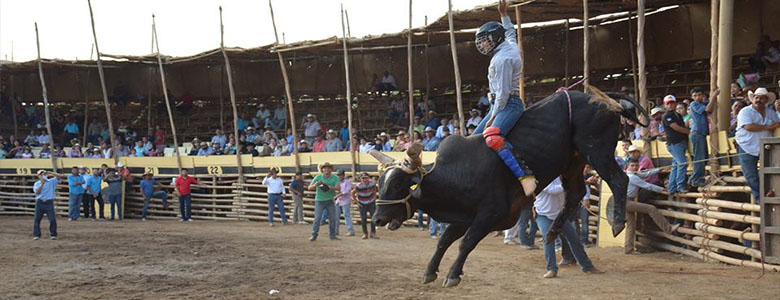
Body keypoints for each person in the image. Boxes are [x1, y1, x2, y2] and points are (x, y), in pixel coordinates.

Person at [472, 0, 535, 196]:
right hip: (499, 103)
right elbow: (510, 31)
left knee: (492, 137)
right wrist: (503, 14)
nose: (483, 44)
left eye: (486, 39)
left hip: (508, 104)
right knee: (473, 141)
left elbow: (503, 94)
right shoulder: (508, 45)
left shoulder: (503, 59)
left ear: (495, 39)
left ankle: (525, 178)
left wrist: (492, 117)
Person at [534, 177, 602, 278]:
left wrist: (584, 182)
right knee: (548, 240)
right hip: (543, 214)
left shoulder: (561, 177)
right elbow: (553, 190)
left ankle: (587, 266)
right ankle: (551, 268)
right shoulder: (542, 178)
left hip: (559, 214)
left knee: (574, 239)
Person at [624, 159, 680, 254]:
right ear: (627, 167)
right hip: (627, 202)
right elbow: (647, 185)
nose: (635, 167)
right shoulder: (631, 177)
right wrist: (662, 189)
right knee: (651, 209)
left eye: (636, 165)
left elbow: (645, 174)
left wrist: (658, 170)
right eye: (632, 165)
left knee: (631, 225)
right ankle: (668, 228)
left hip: (626, 202)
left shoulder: (634, 174)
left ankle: (628, 249)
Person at [736, 87, 780, 201]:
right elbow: (748, 126)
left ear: (766, 100)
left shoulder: (771, 113)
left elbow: (777, 125)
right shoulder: (745, 111)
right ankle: (761, 197)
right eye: (756, 97)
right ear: (752, 98)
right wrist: (769, 127)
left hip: (765, 147)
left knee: (768, 171)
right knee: (751, 175)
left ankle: (767, 193)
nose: (758, 100)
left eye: (761, 98)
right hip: (746, 146)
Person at [688, 87, 718, 188]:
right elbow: (708, 109)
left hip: (700, 133)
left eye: (699, 95)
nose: (697, 97)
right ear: (692, 97)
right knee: (699, 157)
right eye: (695, 95)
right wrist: (714, 96)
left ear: (703, 95)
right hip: (697, 133)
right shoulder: (694, 104)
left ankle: (694, 178)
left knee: (702, 157)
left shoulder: (701, 104)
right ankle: (696, 179)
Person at [661, 95, 690, 194]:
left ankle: (672, 187)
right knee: (682, 163)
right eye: (668, 103)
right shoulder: (667, 116)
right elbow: (676, 128)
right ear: (665, 105)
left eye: (672, 103)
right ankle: (680, 186)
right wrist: (689, 132)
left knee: (676, 165)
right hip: (675, 143)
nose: (670, 105)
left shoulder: (677, 115)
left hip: (679, 142)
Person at [308, 162, 340, 241]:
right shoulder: (318, 177)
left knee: (332, 219)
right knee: (317, 218)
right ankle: (314, 235)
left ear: (331, 170)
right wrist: (316, 184)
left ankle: (332, 235)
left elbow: (338, 188)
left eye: (328, 168)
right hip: (320, 200)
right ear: (322, 169)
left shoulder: (335, 177)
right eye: (325, 168)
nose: (326, 170)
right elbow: (309, 187)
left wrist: (329, 187)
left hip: (330, 200)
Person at [32, 170, 61, 240]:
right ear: (38, 176)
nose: (43, 176)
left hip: (49, 202)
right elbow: (37, 192)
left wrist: (50, 172)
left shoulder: (51, 181)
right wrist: (42, 184)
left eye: (44, 174)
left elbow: (59, 176)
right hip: (40, 202)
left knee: (52, 219)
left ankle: (53, 234)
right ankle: (37, 235)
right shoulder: (37, 183)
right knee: (37, 219)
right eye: (41, 175)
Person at [352, 172, 378, 239]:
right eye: (363, 178)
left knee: (373, 218)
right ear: (361, 179)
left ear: (368, 178)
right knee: (363, 219)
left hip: (371, 202)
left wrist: (374, 198)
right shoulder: (359, 186)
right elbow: (352, 193)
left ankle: (373, 233)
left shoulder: (372, 184)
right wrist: (357, 202)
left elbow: (375, 189)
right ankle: (365, 233)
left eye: (366, 178)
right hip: (362, 203)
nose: (365, 180)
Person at [334, 169, 356, 236]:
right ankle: (335, 231)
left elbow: (346, 191)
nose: (339, 176)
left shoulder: (347, 182)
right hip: (338, 201)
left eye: (340, 175)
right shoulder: (337, 182)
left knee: (347, 216)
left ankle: (351, 231)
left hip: (345, 201)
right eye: (338, 175)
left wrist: (338, 195)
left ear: (343, 175)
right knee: (336, 216)